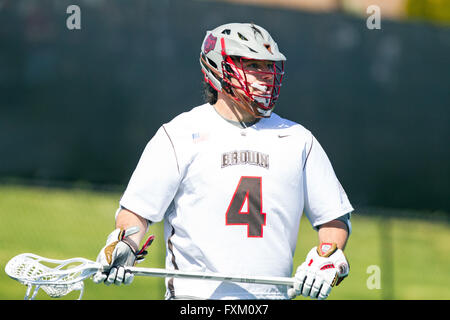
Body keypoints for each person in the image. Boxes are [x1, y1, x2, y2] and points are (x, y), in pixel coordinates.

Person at [92, 22, 354, 300]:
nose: (265, 76)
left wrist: (327, 257)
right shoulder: (179, 134)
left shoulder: (298, 139)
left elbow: (333, 217)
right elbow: (138, 212)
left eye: (269, 66)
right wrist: (125, 244)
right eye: (253, 65)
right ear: (219, 67)